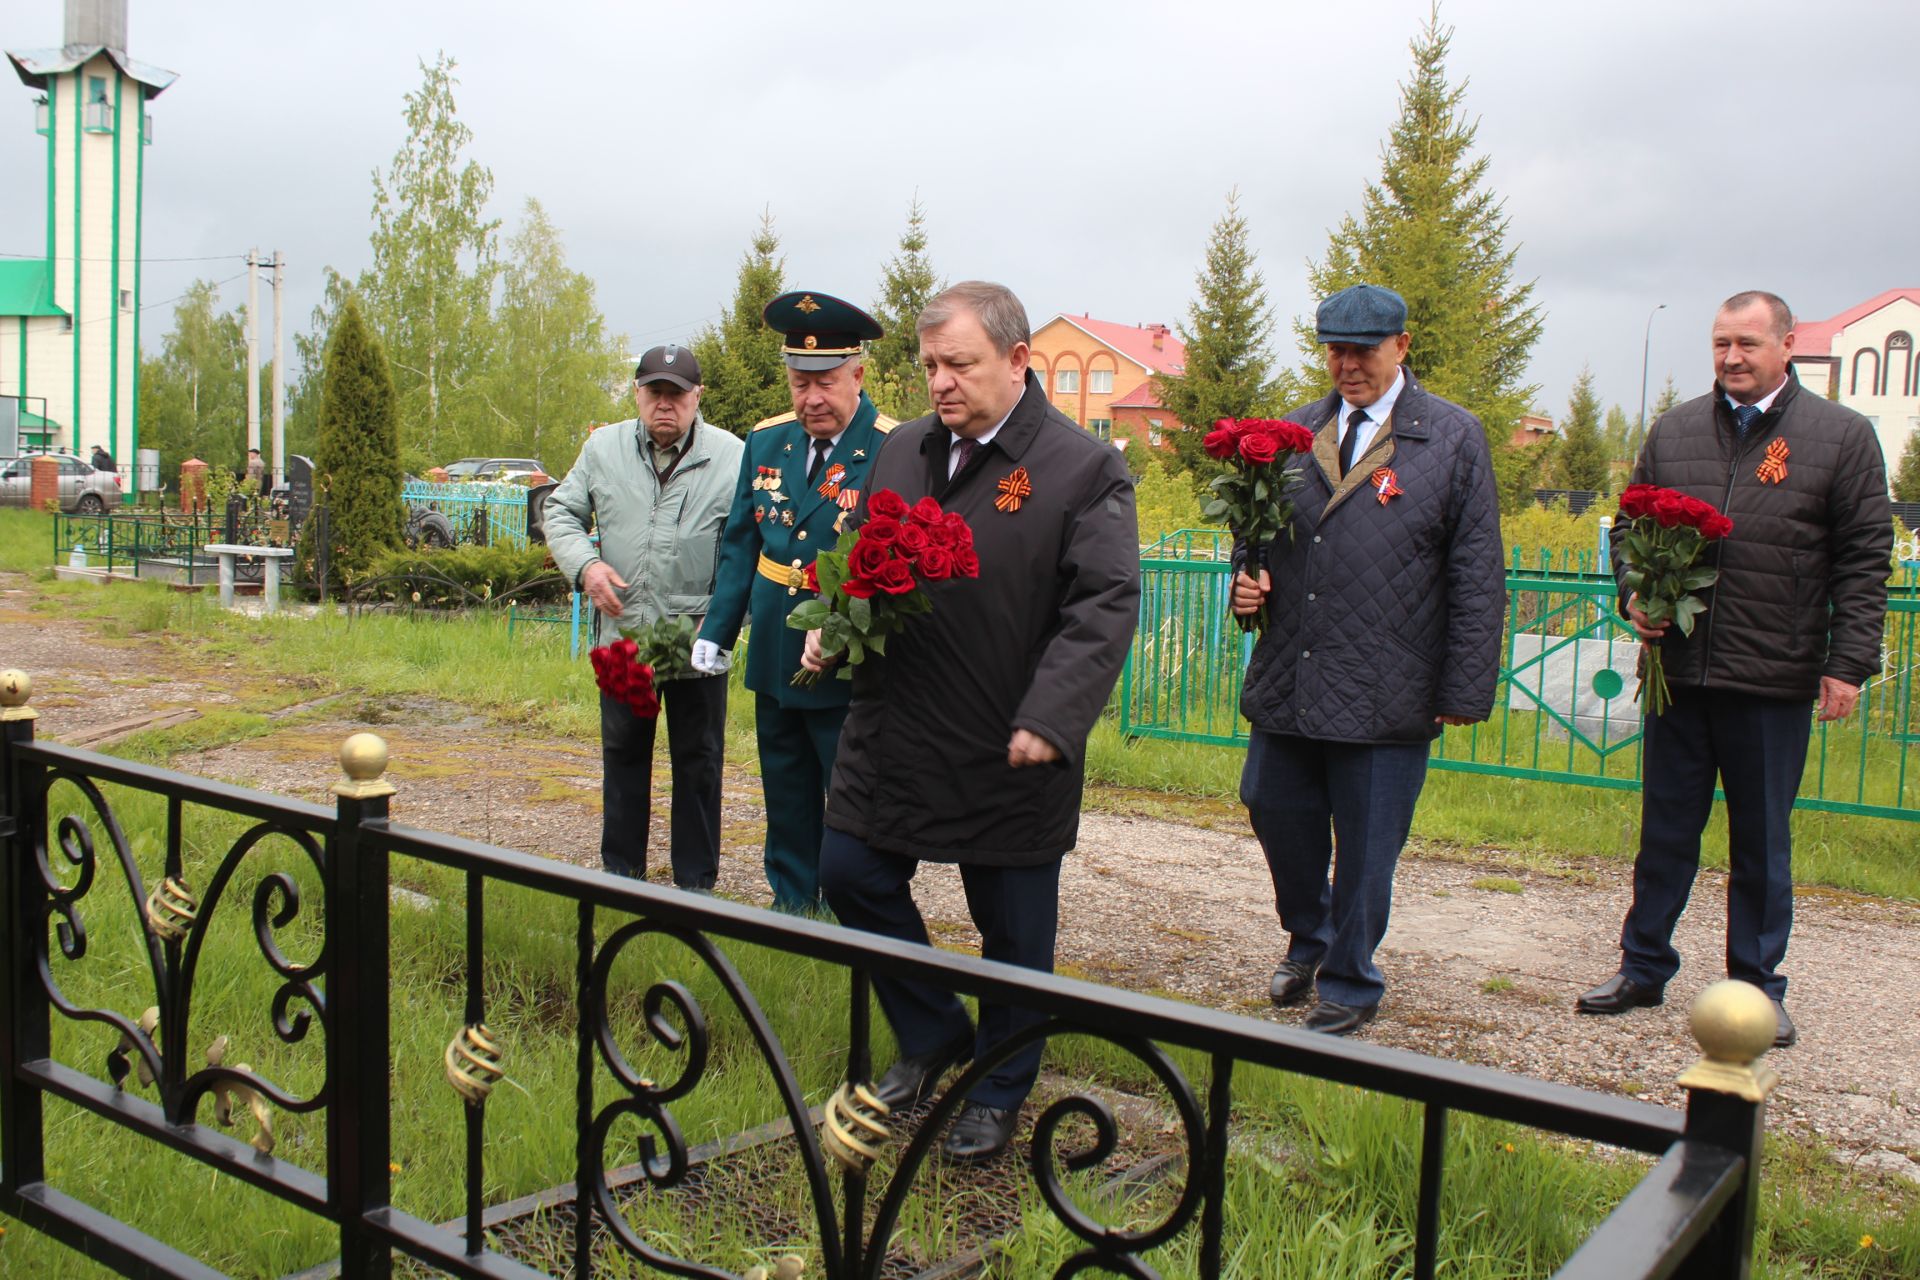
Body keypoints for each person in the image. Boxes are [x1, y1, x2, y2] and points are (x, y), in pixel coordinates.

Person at [810, 281, 1140, 1162]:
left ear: (1018, 361)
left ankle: (999, 1083)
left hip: (1011, 740)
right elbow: (864, 560)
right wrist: (834, 636)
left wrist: (1052, 715)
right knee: (848, 869)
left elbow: (1103, 605)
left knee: (1013, 932)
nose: (941, 384)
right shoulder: (905, 448)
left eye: (960, 364)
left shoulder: (1083, 468)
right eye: (929, 367)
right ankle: (932, 1032)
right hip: (898, 724)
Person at [1576, 291, 1892, 1049]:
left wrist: (1846, 663)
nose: (1732, 358)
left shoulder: (1839, 438)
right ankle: (1643, 965)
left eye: (1748, 343)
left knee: (1760, 842)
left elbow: (1862, 561)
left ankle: (1755, 988)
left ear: (1786, 346)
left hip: (1771, 679)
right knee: (1666, 833)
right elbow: (1629, 530)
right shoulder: (1678, 429)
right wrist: (1634, 595)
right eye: (1721, 343)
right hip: (1678, 674)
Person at [1232, 283, 1504, 1036]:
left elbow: (1478, 571)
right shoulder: (1291, 433)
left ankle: (1349, 979)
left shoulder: (1450, 436)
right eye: (1336, 351)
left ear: (1402, 347)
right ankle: (1309, 936)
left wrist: (1465, 685)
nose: (1348, 366)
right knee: (1271, 803)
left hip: (1391, 680)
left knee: (1366, 842)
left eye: (1364, 351)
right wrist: (1244, 578)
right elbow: (1256, 533)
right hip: (1294, 666)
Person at [693, 291, 896, 913]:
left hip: (847, 652)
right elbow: (741, 543)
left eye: (826, 382)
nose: (811, 398)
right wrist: (718, 629)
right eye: (799, 382)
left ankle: (851, 902)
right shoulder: (767, 442)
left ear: (857, 375)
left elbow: (891, 561)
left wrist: (841, 629)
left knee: (849, 786)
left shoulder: (891, 447)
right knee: (783, 781)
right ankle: (792, 901)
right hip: (779, 642)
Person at [544, 345, 744, 889]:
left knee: (699, 763)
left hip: (699, 637)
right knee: (624, 755)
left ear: (697, 397)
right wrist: (586, 566)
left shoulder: (732, 457)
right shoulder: (603, 448)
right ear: (637, 393)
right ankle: (620, 878)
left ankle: (696, 887)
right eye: (654, 392)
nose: (664, 405)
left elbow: (745, 546)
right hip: (625, 635)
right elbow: (559, 510)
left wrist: (725, 620)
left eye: (676, 394)